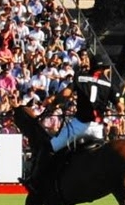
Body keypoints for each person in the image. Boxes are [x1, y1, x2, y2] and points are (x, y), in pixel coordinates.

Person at [29, 55, 116, 189]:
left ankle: (36, 181)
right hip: (98, 129)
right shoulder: (109, 84)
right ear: (104, 69)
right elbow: (121, 107)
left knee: (50, 147)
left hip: (79, 125)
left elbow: (65, 94)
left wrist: (55, 103)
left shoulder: (80, 77)